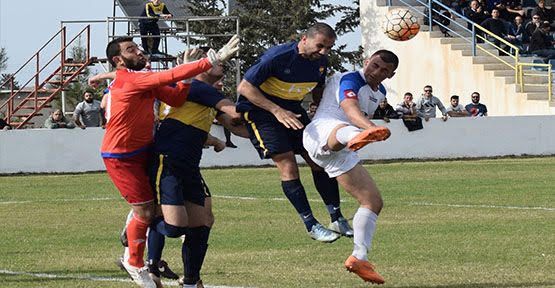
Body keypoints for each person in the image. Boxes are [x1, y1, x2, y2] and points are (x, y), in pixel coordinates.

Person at [95, 36, 239, 288]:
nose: (139, 51)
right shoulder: (133, 79)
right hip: (121, 156)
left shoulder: (140, 79)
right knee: (151, 215)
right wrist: (211, 60)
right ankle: (134, 260)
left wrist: (183, 77)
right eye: (131, 49)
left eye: (137, 47)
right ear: (118, 60)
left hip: (147, 150)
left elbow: (175, 98)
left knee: (194, 218)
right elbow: (166, 78)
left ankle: (179, 274)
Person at [236, 22, 352, 243]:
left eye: (328, 48)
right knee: (288, 164)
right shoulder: (277, 57)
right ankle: (311, 224)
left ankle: (336, 217)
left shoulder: (321, 62)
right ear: (304, 39)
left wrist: (323, 111)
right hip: (261, 113)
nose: (323, 52)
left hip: (293, 111)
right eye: (320, 46)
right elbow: (244, 88)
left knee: (319, 159)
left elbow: (318, 90)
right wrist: (276, 110)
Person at [148, 48, 248, 288]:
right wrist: (270, 107)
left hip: (189, 166)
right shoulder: (198, 88)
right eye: (214, 61)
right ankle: (139, 225)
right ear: (200, 66)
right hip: (168, 161)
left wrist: (271, 139)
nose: (221, 64)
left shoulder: (205, 94)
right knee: (174, 227)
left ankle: (191, 281)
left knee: (202, 223)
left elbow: (235, 125)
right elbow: (236, 113)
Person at [303, 50, 398, 284]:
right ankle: (355, 135)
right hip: (322, 132)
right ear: (367, 62)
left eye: (384, 70)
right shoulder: (350, 78)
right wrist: (369, 129)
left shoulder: (380, 92)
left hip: (340, 151)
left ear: (391, 75)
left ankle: (359, 257)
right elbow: (350, 110)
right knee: (346, 128)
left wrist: (366, 131)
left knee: (373, 202)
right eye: (374, 65)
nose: (376, 72)